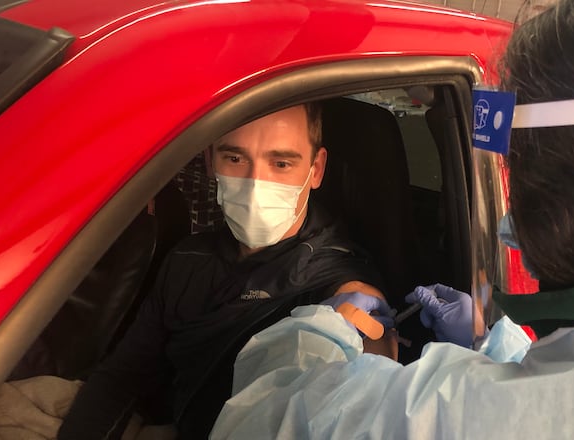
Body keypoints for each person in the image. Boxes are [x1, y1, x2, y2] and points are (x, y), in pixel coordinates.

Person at [208, 0, 574, 437]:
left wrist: (322, 325)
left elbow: (263, 418)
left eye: (514, 167)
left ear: (559, 196)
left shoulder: (468, 417)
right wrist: (498, 344)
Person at [57, 103, 388, 439]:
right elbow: (122, 376)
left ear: (315, 170)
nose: (255, 183)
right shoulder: (188, 258)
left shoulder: (344, 287)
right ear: (208, 160)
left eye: (281, 163)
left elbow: (361, 415)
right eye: (234, 158)